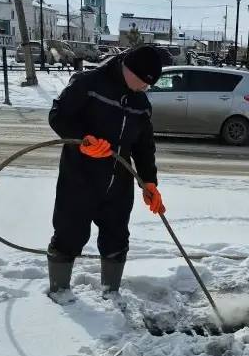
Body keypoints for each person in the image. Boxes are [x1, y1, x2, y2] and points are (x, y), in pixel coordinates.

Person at [46, 44, 165, 295]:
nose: (145, 87)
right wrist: (82, 140)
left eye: (149, 84)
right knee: (69, 234)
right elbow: (58, 116)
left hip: (118, 183)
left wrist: (149, 182)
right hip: (80, 178)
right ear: (128, 69)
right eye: (143, 81)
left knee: (116, 238)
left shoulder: (141, 103)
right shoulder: (89, 83)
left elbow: (144, 146)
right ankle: (59, 294)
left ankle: (111, 293)